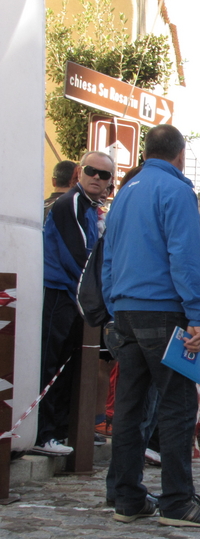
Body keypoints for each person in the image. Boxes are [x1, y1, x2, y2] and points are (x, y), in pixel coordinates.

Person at [102, 124, 200, 527]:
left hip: (125, 312)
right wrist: (197, 316)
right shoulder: (176, 191)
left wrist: (114, 303)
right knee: (177, 405)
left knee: (130, 406)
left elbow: (106, 258)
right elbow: (185, 257)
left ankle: (126, 496)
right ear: (180, 154)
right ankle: (177, 501)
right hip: (164, 312)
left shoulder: (124, 194)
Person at [33, 151, 114, 456]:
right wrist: (97, 294)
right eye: (92, 171)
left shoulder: (92, 209)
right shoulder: (72, 203)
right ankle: (43, 433)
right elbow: (79, 255)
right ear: (80, 172)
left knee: (68, 366)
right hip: (60, 293)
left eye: (104, 175)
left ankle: (62, 430)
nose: (97, 178)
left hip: (75, 297)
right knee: (50, 363)